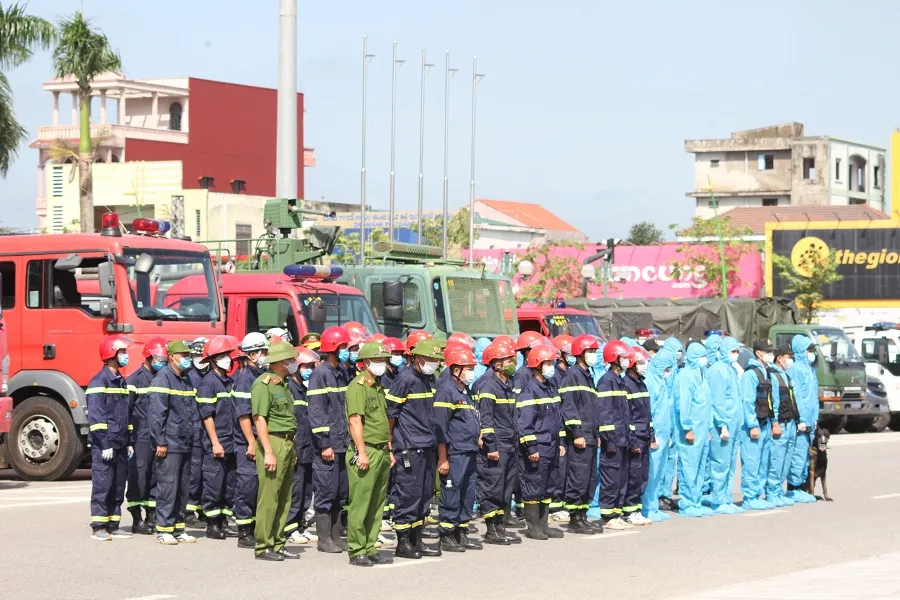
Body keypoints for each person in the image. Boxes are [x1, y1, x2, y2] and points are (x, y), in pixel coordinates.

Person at [387, 338, 445, 558]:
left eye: (436, 360)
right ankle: (403, 543)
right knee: (408, 495)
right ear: (418, 357)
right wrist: (389, 444)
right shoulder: (405, 379)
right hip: (409, 447)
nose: (433, 363)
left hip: (427, 446)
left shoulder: (430, 379)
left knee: (423, 496)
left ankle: (417, 541)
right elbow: (391, 414)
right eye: (430, 358)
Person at [344, 341, 395, 566]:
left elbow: (383, 422)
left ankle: (370, 545)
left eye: (384, 360)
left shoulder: (378, 386)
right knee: (361, 502)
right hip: (367, 451)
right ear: (364, 363)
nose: (382, 364)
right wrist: (361, 452)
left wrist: (390, 449)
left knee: (376, 503)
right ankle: (357, 549)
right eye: (378, 360)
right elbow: (355, 421)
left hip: (381, 450)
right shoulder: (358, 386)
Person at [251, 341, 300, 561]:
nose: (294, 363)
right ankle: (264, 545)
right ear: (281, 361)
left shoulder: (284, 383)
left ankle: (278, 542)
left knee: (284, 497)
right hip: (274, 442)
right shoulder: (264, 384)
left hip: (288, 443)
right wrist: (269, 451)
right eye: (291, 359)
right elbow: (260, 420)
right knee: (269, 496)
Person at [433, 347, 483, 553]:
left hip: (469, 450)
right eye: (468, 368)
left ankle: (461, 532)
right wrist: (442, 459)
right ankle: (447, 534)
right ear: (456, 370)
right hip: (454, 453)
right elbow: (440, 428)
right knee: (452, 492)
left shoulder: (465, 391)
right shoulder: (446, 390)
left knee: (467, 493)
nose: (471, 372)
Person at [148, 340, 199, 544]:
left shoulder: (185, 379)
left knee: (183, 486)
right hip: (169, 442)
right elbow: (157, 414)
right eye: (183, 355)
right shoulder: (162, 379)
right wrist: (160, 441)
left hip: (185, 440)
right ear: (172, 356)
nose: (187, 358)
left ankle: (178, 527)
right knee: (168, 485)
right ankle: (164, 529)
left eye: (188, 355)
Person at [308, 326, 353, 553]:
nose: (348, 351)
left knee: (340, 491)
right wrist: (324, 443)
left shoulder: (342, 373)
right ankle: (324, 540)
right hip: (328, 445)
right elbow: (317, 412)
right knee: (326, 491)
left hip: (343, 442)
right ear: (333, 349)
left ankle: (336, 536)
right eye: (344, 347)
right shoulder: (320, 374)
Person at [516, 343, 565, 540]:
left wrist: (560, 442)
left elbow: (557, 417)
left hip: (552, 445)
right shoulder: (530, 390)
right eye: (548, 363)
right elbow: (525, 423)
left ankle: (544, 525)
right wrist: (532, 447)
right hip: (539, 447)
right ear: (537, 365)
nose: (551, 366)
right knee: (533, 486)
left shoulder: (551, 387)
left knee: (548, 486)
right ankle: (533, 527)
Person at [88, 335, 134, 541]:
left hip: (122, 443)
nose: (126, 356)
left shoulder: (121, 382)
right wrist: (104, 443)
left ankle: (113, 524)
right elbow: (97, 417)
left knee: (117, 485)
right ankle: (99, 526)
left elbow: (126, 414)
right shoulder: (99, 381)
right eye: (122, 352)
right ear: (111, 354)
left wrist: (129, 441)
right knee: (103, 485)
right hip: (105, 445)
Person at [476, 339, 522, 546]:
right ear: (496, 364)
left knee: (506, 487)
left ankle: (501, 526)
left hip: (510, 444)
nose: (513, 363)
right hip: (497, 446)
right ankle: (491, 529)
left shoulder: (507, 385)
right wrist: (491, 446)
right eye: (508, 360)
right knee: (493, 487)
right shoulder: (488, 386)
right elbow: (486, 420)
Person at [557, 334, 602, 535]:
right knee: (578, 477)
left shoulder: (588, 375)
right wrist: (576, 433)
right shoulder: (572, 376)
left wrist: (597, 432)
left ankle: (583, 514)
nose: (593, 355)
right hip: (580, 438)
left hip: (590, 435)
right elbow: (569, 407)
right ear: (580, 354)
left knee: (589, 478)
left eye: (594, 351)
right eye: (590, 352)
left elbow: (592, 408)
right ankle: (575, 518)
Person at [197, 335, 240, 540]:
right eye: (222, 356)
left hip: (231, 442)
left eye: (228, 355)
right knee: (214, 485)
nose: (227, 359)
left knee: (229, 485)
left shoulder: (229, 381)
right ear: (213, 359)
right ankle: (212, 524)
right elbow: (207, 415)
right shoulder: (208, 383)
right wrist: (215, 442)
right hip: (217, 442)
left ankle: (223, 521)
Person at [126, 336, 167, 535]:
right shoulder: (134, 380)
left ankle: (151, 515)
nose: (162, 362)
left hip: (156, 435)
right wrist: (128, 438)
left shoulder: (162, 378)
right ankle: (136, 519)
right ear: (149, 357)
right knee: (138, 477)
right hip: (139, 436)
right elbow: (126, 410)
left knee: (154, 477)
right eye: (159, 359)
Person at [232, 332, 269, 549]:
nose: (265, 355)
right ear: (252, 354)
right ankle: (244, 531)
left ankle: (255, 527)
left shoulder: (261, 375)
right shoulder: (246, 377)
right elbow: (243, 414)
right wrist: (251, 442)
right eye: (262, 351)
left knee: (258, 486)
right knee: (247, 486)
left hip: (261, 439)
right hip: (248, 440)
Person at [596, 339, 633, 530]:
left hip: (623, 439)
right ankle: (608, 514)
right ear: (613, 358)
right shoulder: (606, 381)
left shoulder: (620, 381)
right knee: (611, 477)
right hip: (613, 440)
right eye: (623, 357)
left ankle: (616, 512)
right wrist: (609, 440)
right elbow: (604, 414)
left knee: (621, 478)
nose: (627, 360)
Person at [284, 346, 319, 545]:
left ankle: (300, 525)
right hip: (297, 448)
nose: (309, 370)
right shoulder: (289, 389)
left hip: (308, 448)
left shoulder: (304, 390)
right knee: (295, 491)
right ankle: (289, 529)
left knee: (307, 490)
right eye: (306, 366)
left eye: (311, 366)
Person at [674, 341, 713, 518]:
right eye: (701, 356)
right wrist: (687, 427)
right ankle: (687, 503)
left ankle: (696, 500)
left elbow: (706, 404)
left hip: (703, 430)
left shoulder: (702, 375)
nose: (705, 359)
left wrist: (709, 427)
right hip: (691, 430)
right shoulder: (686, 376)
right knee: (689, 466)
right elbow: (684, 404)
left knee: (699, 467)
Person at [706, 337, 744, 514]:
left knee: (729, 464)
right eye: (732, 351)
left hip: (734, 422)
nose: (735, 354)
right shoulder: (718, 371)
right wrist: (722, 424)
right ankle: (718, 500)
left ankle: (726, 497)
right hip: (723, 423)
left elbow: (734, 398)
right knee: (720, 463)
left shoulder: (731, 370)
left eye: (737, 351)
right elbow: (717, 400)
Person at [738, 340, 777, 511]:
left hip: (765, 422)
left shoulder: (766, 373)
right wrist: (752, 424)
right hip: (754, 425)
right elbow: (747, 401)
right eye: (768, 351)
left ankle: (758, 494)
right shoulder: (751, 374)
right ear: (758, 353)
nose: (771, 354)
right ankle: (749, 496)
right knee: (752, 462)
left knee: (762, 462)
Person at [641, 349, 677, 522]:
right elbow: (649, 412)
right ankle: (647, 506)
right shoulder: (650, 382)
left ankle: (653, 505)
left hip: (663, 434)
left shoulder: (660, 381)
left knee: (658, 472)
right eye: (667, 368)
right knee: (651, 472)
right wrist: (652, 434)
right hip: (654, 435)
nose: (668, 372)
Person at [621, 345, 654, 526]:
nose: (644, 366)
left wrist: (651, 433)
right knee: (633, 475)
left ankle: (636, 508)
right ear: (632, 364)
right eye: (641, 363)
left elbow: (646, 413)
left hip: (644, 435)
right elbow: (628, 415)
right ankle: (629, 510)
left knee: (642, 475)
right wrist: (633, 438)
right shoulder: (627, 384)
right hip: (634, 437)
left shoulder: (641, 383)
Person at [765, 343, 799, 507]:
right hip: (781, 424)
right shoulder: (774, 375)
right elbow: (774, 402)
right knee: (776, 460)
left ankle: (778, 491)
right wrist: (775, 423)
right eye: (789, 356)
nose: (791, 360)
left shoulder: (786, 375)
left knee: (786, 459)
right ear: (780, 358)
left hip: (791, 422)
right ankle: (771, 492)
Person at [786, 335, 819, 503]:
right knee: (797, 455)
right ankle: (793, 488)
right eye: (809, 350)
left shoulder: (810, 369)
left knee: (805, 456)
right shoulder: (796, 369)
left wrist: (815, 417)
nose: (812, 353)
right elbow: (797, 396)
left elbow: (813, 397)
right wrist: (802, 418)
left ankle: (800, 486)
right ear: (800, 350)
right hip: (801, 420)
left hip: (810, 420)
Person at [184, 337, 210, 528]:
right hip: (193, 431)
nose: (199, 358)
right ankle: (187, 511)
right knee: (193, 473)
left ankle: (202, 508)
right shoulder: (188, 377)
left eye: (203, 355)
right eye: (196, 355)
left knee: (205, 473)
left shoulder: (210, 376)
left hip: (207, 432)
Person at [658, 337, 684, 510]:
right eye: (676, 350)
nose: (679, 354)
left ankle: (665, 494)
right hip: (662, 422)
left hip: (672, 421)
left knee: (670, 460)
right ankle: (656, 495)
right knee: (659, 460)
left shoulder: (675, 369)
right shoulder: (661, 369)